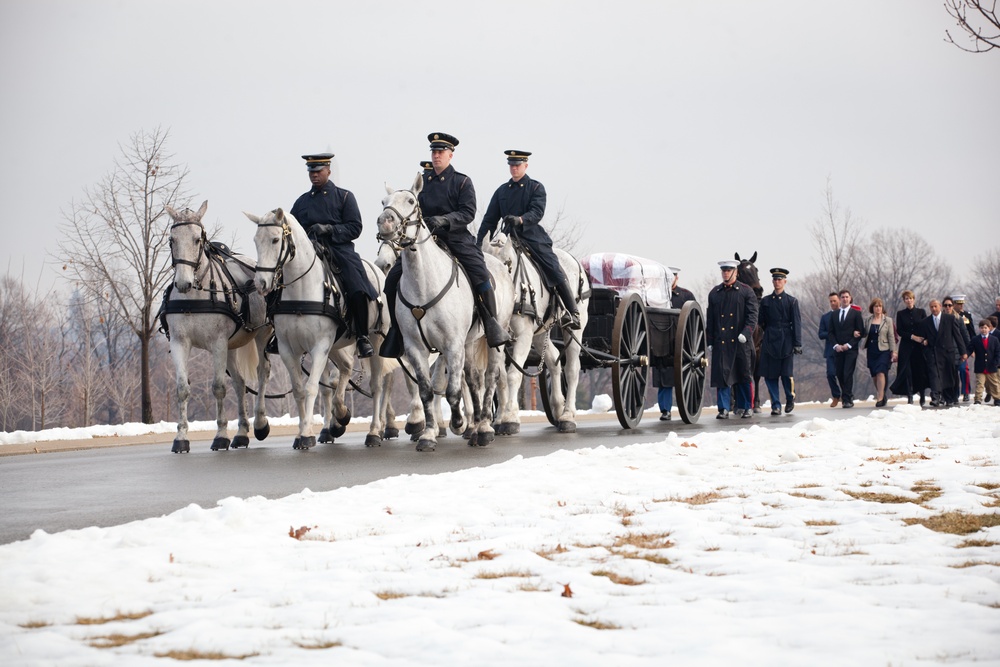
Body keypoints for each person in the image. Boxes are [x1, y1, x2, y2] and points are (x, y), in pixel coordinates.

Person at [381, 132, 511, 357]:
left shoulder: (462, 182)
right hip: (425, 241)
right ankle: (396, 330)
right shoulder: (423, 183)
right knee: (392, 279)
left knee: (481, 275)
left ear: (450, 155)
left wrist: (445, 220)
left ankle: (491, 324)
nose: (436, 156)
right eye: (434, 151)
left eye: (440, 152)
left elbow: (468, 212)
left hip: (456, 239)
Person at [476, 150, 581, 330]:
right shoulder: (501, 191)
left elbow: (537, 212)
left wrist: (521, 220)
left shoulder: (535, 188)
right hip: (506, 238)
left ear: (526, 166)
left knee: (552, 267)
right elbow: (489, 220)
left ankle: (573, 312)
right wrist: (479, 244)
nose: (514, 168)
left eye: (517, 165)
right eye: (511, 165)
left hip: (532, 237)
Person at [290, 152, 377, 358]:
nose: (314, 175)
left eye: (318, 171)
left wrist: (329, 229)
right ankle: (278, 332)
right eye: (311, 171)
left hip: (339, 250)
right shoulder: (301, 202)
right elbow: (291, 229)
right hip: (309, 251)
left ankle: (363, 337)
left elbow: (355, 227)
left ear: (328, 171)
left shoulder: (345, 197)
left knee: (356, 287)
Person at [706, 259, 758, 419]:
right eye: (724, 271)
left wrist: (746, 333)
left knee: (743, 374)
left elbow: (752, 315)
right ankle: (723, 408)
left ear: (735, 272)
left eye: (729, 271)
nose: (726, 273)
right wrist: (710, 341)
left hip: (740, 340)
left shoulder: (746, 291)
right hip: (722, 341)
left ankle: (747, 406)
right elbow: (711, 320)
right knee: (722, 376)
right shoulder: (715, 293)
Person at [652, 266, 696, 421]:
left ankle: (688, 407)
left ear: (677, 278)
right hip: (661, 342)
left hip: (682, 342)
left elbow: (694, 320)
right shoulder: (655, 296)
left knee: (685, 377)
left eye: (672, 277)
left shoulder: (686, 295)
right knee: (664, 379)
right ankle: (665, 410)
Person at [758, 268, 801, 416]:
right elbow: (761, 321)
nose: (777, 282)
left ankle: (790, 398)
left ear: (785, 281)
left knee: (786, 374)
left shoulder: (792, 301)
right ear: (772, 281)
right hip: (770, 339)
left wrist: (797, 344)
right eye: (775, 279)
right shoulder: (765, 301)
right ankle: (775, 405)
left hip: (786, 340)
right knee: (770, 375)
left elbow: (796, 323)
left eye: (780, 279)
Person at [912, 298, 967, 407]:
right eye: (931, 307)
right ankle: (935, 397)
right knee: (934, 375)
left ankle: (949, 398)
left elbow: (958, 336)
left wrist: (963, 352)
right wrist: (924, 344)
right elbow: (922, 338)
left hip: (947, 352)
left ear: (940, 307)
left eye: (935, 306)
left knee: (947, 375)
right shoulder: (926, 322)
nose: (933, 309)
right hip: (933, 352)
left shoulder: (950, 319)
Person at [889, 290, 929, 405]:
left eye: (910, 298)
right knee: (907, 372)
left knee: (920, 370)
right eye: (906, 299)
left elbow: (926, 326)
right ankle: (910, 395)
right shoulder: (901, 314)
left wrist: (923, 339)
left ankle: (922, 395)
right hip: (906, 346)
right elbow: (900, 331)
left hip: (919, 347)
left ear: (914, 299)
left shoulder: (921, 312)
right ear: (904, 301)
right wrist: (912, 337)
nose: (909, 300)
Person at [831, 289, 865, 408]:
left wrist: (849, 344)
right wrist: (836, 345)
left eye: (847, 297)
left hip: (851, 349)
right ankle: (847, 395)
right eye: (843, 297)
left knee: (847, 373)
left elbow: (861, 331)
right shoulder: (834, 314)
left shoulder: (856, 314)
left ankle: (847, 398)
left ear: (850, 298)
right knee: (839, 373)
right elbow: (831, 333)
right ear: (840, 299)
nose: (845, 299)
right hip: (838, 349)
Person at [861, 297, 897, 407]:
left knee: (881, 371)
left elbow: (891, 336)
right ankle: (883, 393)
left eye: (880, 306)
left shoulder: (888, 320)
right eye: (876, 306)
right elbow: (864, 333)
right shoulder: (868, 320)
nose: (878, 308)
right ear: (872, 308)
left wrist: (893, 351)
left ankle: (880, 397)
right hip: (872, 350)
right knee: (874, 375)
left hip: (884, 350)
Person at [817, 292, 843, 407]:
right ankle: (836, 395)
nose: (833, 303)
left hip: (844, 349)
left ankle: (846, 396)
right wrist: (831, 334)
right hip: (831, 350)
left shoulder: (844, 314)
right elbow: (821, 334)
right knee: (830, 374)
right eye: (831, 301)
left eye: (835, 301)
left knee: (844, 374)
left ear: (839, 301)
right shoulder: (825, 317)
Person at [966, 318, 1000, 405]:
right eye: (981, 328)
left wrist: (996, 362)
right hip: (980, 366)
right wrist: (966, 355)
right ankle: (978, 399)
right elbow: (970, 349)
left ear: (989, 328)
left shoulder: (994, 340)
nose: (984, 330)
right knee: (979, 384)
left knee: (994, 383)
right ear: (979, 329)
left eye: (985, 328)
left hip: (992, 366)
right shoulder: (975, 339)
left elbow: (997, 352)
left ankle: (997, 398)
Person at [951, 294, 975, 401]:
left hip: (963, 348)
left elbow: (971, 332)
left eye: (962, 304)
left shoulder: (967, 316)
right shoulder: (949, 315)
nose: (961, 306)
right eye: (958, 304)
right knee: (953, 372)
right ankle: (954, 393)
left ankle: (966, 392)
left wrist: (972, 348)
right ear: (954, 304)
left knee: (963, 370)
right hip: (952, 347)